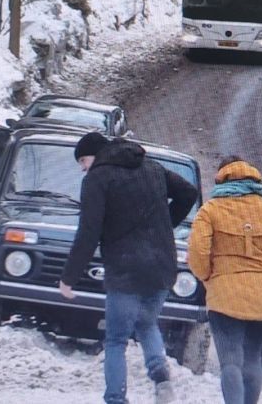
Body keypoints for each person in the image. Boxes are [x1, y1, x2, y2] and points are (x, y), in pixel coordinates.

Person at [59, 132, 198, 404]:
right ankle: (161, 377)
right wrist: (165, 225)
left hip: (125, 269)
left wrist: (68, 278)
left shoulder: (97, 179)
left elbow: (88, 233)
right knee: (146, 323)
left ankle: (115, 399)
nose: (83, 168)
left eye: (83, 160)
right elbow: (188, 192)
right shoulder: (153, 168)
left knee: (116, 340)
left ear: (95, 156)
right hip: (161, 265)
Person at [187, 156, 262, 404]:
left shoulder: (211, 211)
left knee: (230, 362)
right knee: (252, 358)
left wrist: (209, 277)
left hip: (225, 298)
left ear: (221, 177)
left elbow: (197, 254)